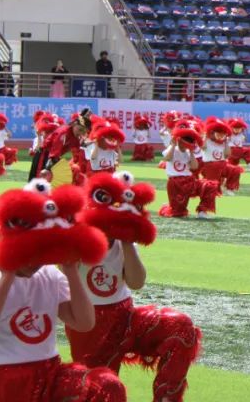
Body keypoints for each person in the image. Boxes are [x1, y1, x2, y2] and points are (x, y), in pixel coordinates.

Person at [0, 180, 125, 402]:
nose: (36, 260)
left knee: (106, 386)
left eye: (43, 250)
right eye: (29, 250)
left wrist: (71, 271)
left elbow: (84, 323)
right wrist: (7, 275)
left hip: (49, 372)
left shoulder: (50, 275)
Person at [69, 172, 201, 402]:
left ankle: (166, 398)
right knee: (102, 388)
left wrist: (128, 240)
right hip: (89, 324)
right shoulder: (78, 239)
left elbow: (136, 282)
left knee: (180, 327)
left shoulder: (123, 243)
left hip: (124, 316)